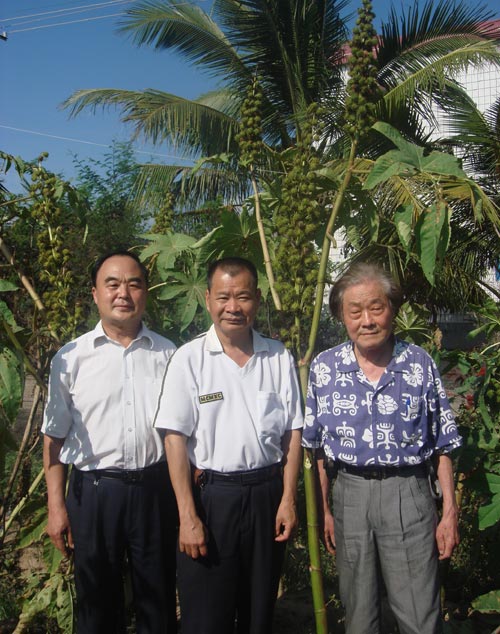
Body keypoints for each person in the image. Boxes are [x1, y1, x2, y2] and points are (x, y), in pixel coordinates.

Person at [302, 262, 462, 634]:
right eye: (355, 311)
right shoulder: (325, 369)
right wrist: (326, 510)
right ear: (342, 317)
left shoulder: (418, 364)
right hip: (350, 496)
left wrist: (450, 511)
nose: (367, 320)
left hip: (407, 493)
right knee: (359, 614)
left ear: (393, 309)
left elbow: (443, 444)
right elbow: (319, 452)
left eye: (377, 308)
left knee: (419, 615)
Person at [154, 256, 303, 634]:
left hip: (267, 496)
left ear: (257, 299)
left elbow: (292, 433)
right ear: (207, 299)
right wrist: (188, 518)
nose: (233, 308)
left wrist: (287, 499)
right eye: (223, 297)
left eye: (243, 297)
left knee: (258, 614)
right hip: (212, 498)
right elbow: (174, 440)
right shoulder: (188, 360)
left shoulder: (278, 356)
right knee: (205, 616)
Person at [42, 251, 178, 634]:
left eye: (134, 283)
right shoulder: (70, 358)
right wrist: (56, 505)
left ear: (146, 293)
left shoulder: (170, 354)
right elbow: (53, 439)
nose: (124, 293)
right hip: (94, 493)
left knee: (158, 601)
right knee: (97, 605)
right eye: (113, 284)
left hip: (155, 490)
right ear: (95, 293)